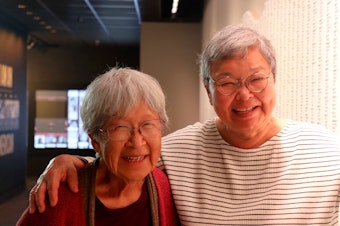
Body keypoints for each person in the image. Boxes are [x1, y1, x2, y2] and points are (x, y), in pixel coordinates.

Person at [28, 25, 340, 225]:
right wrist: (73, 163)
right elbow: (128, 160)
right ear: (208, 91)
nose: (245, 95)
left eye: (256, 80)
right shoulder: (176, 153)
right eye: (227, 83)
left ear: (274, 80)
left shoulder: (327, 151)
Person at [17, 67, 179, 225]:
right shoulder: (58, 198)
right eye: (120, 127)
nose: (137, 142)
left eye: (148, 124)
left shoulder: (164, 187)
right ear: (94, 139)